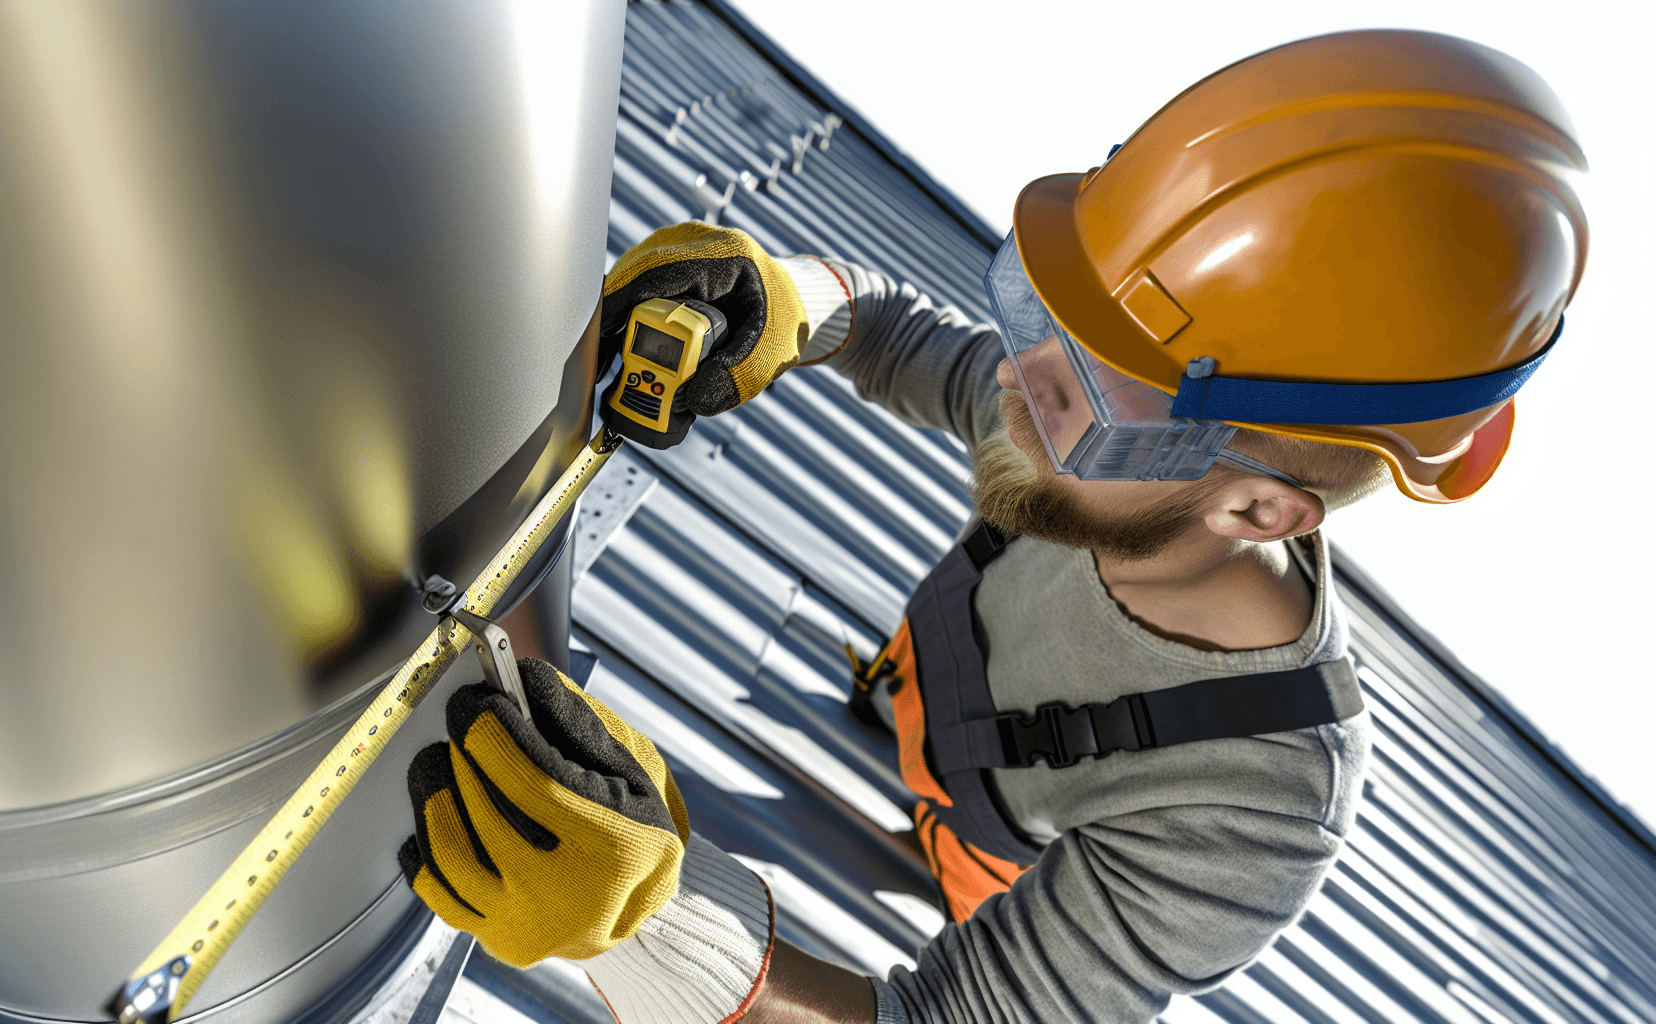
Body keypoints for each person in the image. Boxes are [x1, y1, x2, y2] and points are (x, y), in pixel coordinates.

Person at [395, 28, 1586, 1024]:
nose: (1011, 386)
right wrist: (778, 299)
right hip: (912, 695)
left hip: (977, 849)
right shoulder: (1095, 431)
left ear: (1254, 507)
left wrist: (646, 924)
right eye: (1037, 313)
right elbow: (892, 332)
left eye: (1074, 389)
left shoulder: (1254, 808)